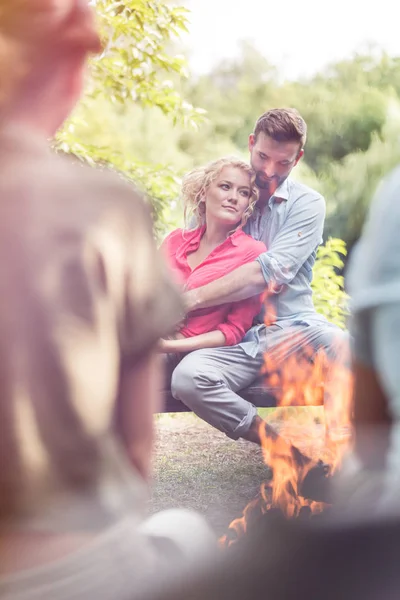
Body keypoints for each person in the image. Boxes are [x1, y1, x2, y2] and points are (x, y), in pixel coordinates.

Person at [0, 2, 215, 599]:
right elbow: (137, 450)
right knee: (186, 533)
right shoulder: (105, 207)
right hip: (68, 567)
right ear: (73, 68)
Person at [170, 108, 350, 444]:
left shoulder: (308, 204)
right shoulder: (228, 193)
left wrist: (188, 300)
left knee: (348, 348)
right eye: (262, 156)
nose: (268, 171)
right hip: (234, 340)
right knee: (188, 378)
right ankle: (279, 448)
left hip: (293, 330)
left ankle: (344, 456)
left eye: (283, 163)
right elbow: (193, 258)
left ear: (298, 159)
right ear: (251, 143)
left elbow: (266, 274)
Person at [159, 157, 266, 365]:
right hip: (146, 337)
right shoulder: (175, 240)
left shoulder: (251, 253)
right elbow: (142, 292)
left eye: (243, 193)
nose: (234, 198)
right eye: (225, 187)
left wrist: (167, 347)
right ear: (203, 193)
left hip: (188, 355)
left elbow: (234, 330)